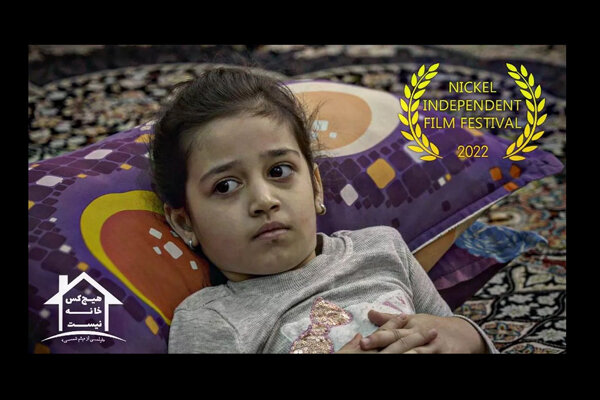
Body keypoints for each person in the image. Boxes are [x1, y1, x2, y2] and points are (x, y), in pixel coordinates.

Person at [148, 66, 498, 354]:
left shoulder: (382, 248)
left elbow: (447, 330)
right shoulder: (211, 320)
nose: (264, 200)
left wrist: (465, 336)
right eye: (225, 186)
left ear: (316, 186)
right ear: (184, 222)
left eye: (279, 171)